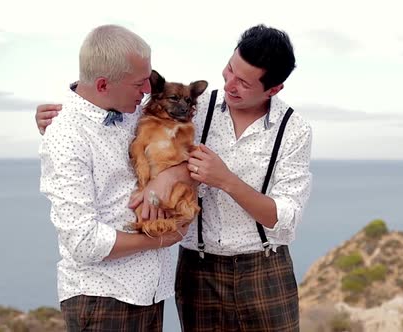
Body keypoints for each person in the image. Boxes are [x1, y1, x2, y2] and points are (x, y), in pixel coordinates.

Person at [37, 24, 312, 332]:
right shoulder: (195, 104)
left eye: (244, 83)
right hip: (197, 270)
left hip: (265, 270)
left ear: (273, 90)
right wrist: (58, 116)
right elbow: (112, 105)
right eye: (230, 70)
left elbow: (287, 218)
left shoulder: (293, 130)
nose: (230, 84)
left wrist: (226, 180)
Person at [38, 24, 190, 332]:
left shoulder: (134, 111)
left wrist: (171, 175)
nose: (148, 90)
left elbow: (191, 148)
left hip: (150, 293)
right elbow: (83, 242)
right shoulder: (67, 134)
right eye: (140, 83)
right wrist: (160, 240)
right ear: (104, 84)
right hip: (104, 299)